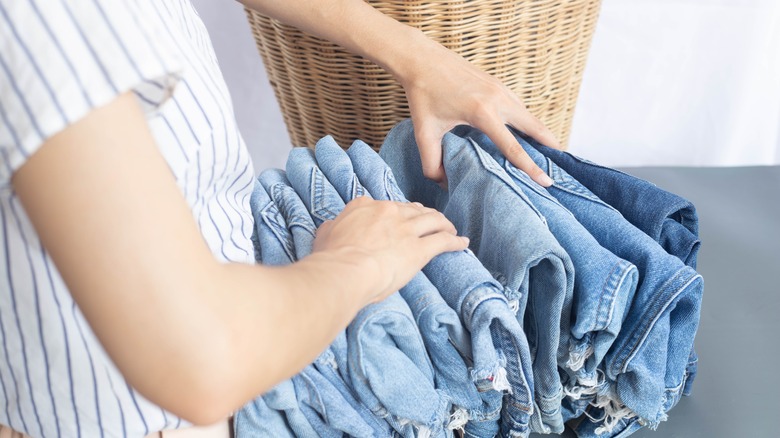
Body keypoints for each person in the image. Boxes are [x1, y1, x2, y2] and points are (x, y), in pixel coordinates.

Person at [0, 0, 560, 436]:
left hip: (247, 297)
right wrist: (356, 263)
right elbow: (199, 359)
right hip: (157, 409)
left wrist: (418, 57)